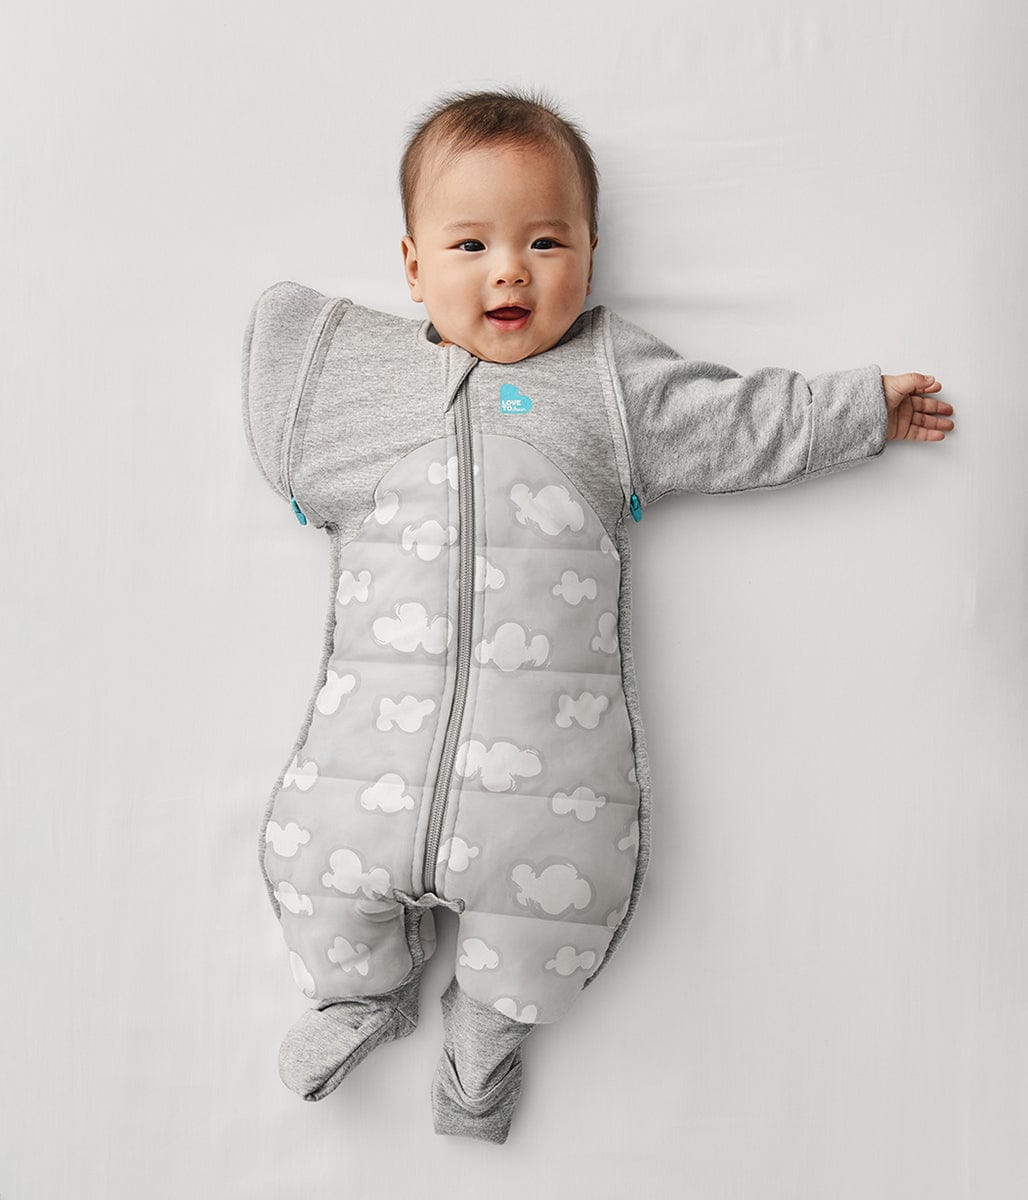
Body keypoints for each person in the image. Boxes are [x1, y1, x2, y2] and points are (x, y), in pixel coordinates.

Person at [242, 86, 954, 1146]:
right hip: (364, 763)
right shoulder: (365, 386)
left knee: (566, 901)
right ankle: (362, 994)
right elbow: (287, 422)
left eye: (545, 241)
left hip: (548, 781)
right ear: (412, 268)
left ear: (589, 253)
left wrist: (858, 408)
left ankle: (488, 1030)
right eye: (471, 244)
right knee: (310, 864)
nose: (510, 272)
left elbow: (737, 421)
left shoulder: (610, 385)